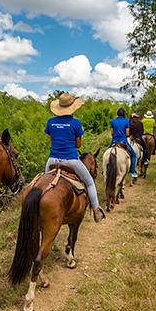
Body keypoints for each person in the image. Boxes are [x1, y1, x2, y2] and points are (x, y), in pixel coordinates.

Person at [44, 93, 105, 223]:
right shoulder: (76, 123)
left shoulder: (50, 122)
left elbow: (51, 140)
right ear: (72, 108)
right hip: (71, 160)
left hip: (52, 160)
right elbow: (78, 145)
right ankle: (96, 210)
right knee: (89, 182)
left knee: (45, 184)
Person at [109, 108, 138, 178]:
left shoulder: (113, 121)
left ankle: (105, 170)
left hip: (114, 141)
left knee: (106, 153)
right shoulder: (126, 121)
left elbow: (112, 133)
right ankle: (132, 171)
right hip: (123, 141)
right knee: (134, 155)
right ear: (124, 114)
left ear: (117, 114)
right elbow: (127, 133)